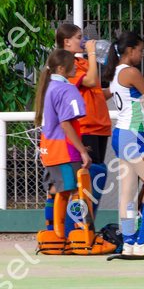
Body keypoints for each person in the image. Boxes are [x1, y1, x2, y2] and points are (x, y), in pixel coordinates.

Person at [104, 31, 144, 256]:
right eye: (140, 50)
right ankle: (142, 241)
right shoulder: (131, 72)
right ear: (130, 50)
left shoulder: (115, 72)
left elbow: (111, 96)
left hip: (121, 134)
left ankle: (129, 242)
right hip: (135, 134)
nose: (142, 54)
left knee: (128, 192)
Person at [34, 50, 90, 250]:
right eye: (72, 64)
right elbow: (66, 123)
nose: (76, 67)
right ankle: (78, 236)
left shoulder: (49, 86)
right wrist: (82, 150)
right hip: (64, 150)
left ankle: (54, 234)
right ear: (60, 68)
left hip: (49, 148)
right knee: (74, 190)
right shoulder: (66, 89)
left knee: (57, 190)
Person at [57, 23, 112, 212]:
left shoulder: (83, 63)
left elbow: (95, 91)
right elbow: (89, 81)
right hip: (86, 127)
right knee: (88, 175)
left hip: (100, 126)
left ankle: (88, 222)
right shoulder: (65, 65)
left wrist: (116, 88)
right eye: (79, 38)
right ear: (67, 41)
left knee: (97, 173)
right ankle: (76, 223)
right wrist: (93, 53)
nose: (84, 41)